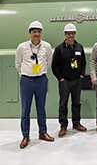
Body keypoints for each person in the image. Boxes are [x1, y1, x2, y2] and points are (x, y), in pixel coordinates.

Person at [15, 21, 54, 149]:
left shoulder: (47, 46)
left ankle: (43, 132)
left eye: (39, 32)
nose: (36, 34)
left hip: (41, 80)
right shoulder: (22, 47)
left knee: (41, 108)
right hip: (26, 81)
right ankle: (25, 136)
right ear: (29, 33)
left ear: (41, 33)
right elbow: (18, 64)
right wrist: (26, 74)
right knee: (25, 110)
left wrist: (40, 72)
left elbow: (48, 61)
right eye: (34, 32)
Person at [52, 23, 87, 137]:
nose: (71, 35)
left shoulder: (79, 47)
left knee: (76, 103)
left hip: (77, 80)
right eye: (68, 34)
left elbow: (84, 63)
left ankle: (76, 123)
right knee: (63, 104)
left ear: (75, 34)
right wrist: (60, 78)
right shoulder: (59, 49)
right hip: (65, 81)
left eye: (72, 33)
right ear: (65, 35)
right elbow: (54, 65)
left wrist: (82, 75)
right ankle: (63, 126)